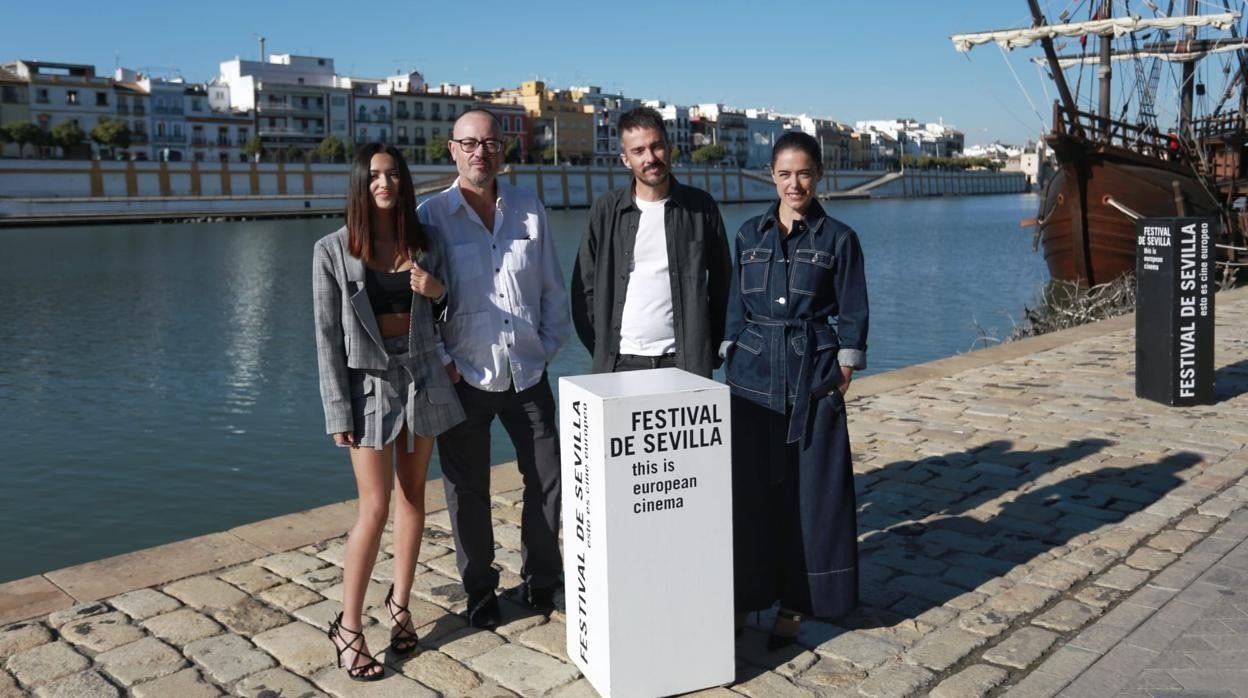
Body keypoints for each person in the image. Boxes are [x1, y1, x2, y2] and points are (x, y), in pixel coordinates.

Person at [312, 143, 465, 680]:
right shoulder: (332, 251)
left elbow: (450, 309)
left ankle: (401, 607)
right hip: (369, 389)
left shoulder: (424, 242)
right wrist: (338, 413)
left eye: (393, 174)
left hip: (422, 377)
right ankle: (348, 626)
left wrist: (437, 289)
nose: (385, 183)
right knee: (374, 508)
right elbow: (327, 339)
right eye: (375, 176)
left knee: (413, 497)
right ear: (360, 183)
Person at [417, 108, 571, 628]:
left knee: (548, 478)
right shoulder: (430, 217)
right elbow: (421, 305)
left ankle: (542, 579)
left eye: (489, 142)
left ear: (502, 150)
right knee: (466, 489)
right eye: (469, 143)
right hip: (465, 376)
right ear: (452, 149)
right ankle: (480, 588)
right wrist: (445, 363)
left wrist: (546, 346)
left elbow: (551, 285)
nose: (480, 152)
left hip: (527, 372)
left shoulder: (529, 209)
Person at [723, 132, 869, 649]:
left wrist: (843, 371)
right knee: (751, 497)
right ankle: (746, 594)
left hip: (813, 379)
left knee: (811, 499)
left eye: (803, 173)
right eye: (785, 174)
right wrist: (730, 347)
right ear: (772, 176)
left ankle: (795, 603)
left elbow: (852, 311)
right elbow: (736, 306)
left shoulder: (840, 239)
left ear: (818, 175)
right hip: (752, 384)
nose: (794, 183)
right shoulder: (748, 235)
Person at [571, 106, 731, 376]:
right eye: (638, 151)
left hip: (686, 363)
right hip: (620, 363)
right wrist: (602, 349)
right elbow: (583, 290)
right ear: (625, 159)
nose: (650, 158)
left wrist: (709, 351)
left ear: (669, 147)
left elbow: (723, 285)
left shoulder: (701, 207)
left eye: (656, 147)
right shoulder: (606, 210)